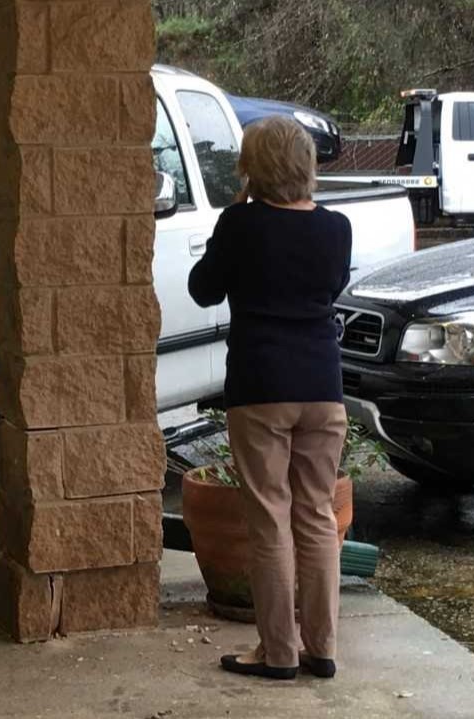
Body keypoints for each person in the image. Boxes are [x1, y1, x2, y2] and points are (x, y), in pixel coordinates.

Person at [188, 115, 352, 681]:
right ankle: (323, 648)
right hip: (322, 388)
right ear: (307, 166)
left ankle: (277, 651)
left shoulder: (240, 223)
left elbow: (203, 288)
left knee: (269, 518)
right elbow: (328, 290)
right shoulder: (336, 227)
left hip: (261, 385)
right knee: (317, 514)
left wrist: (238, 217)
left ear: (251, 167)